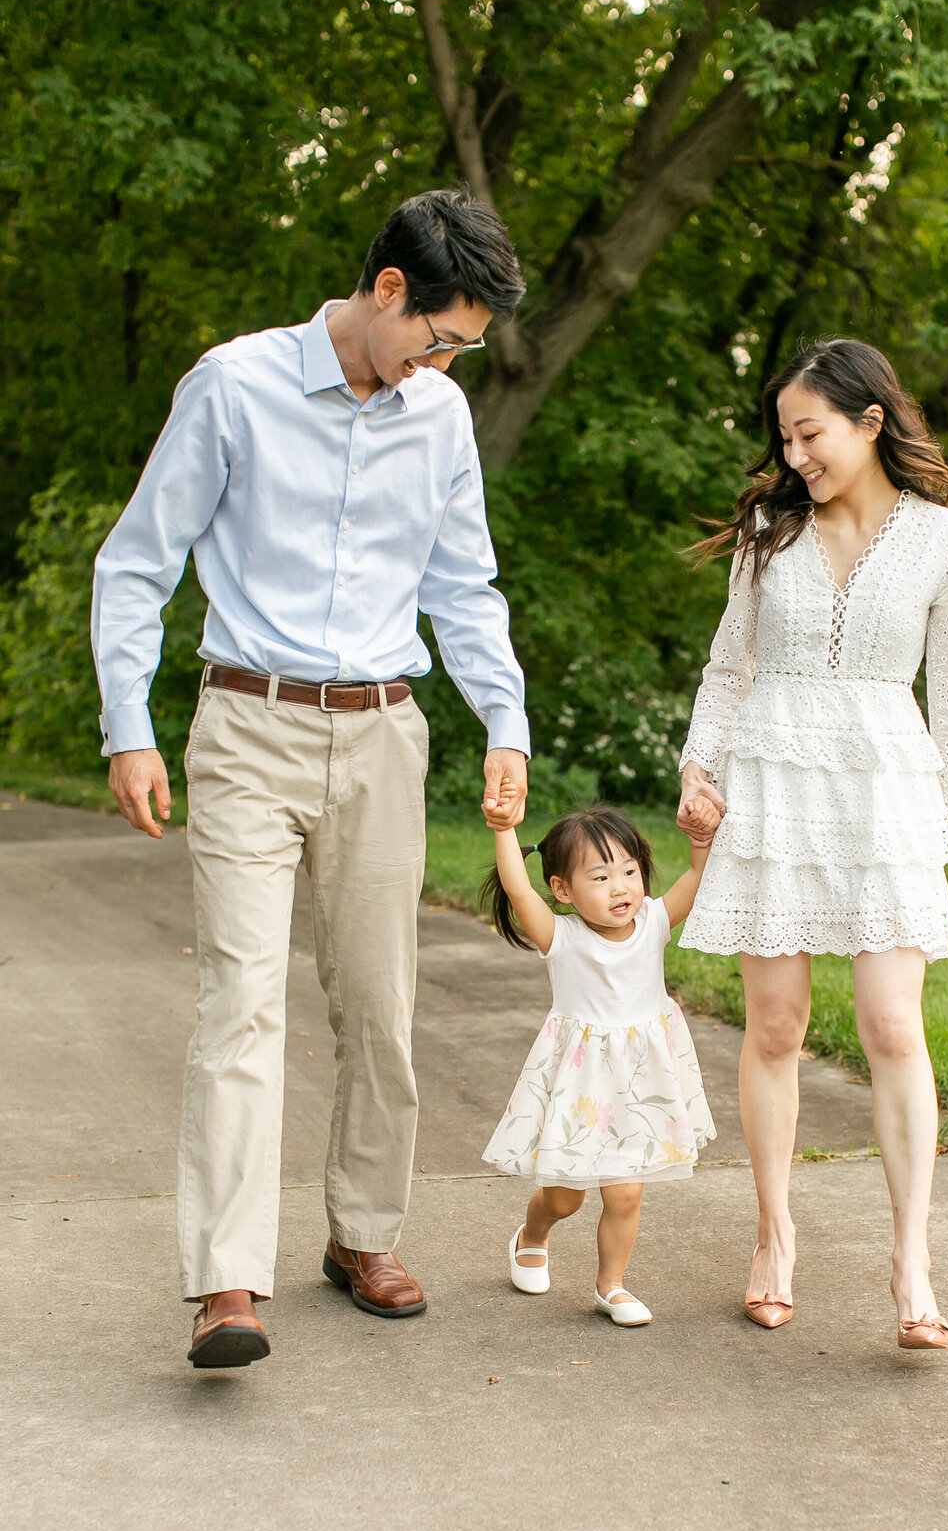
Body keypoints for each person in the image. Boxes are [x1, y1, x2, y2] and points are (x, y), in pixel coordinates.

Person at [91, 188, 531, 1369]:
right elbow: (138, 564)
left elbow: (464, 587)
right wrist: (127, 725)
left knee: (381, 1010)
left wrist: (506, 721)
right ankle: (228, 1279)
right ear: (389, 291)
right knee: (242, 1001)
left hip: (384, 737)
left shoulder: (435, 419)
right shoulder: (231, 387)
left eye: (462, 351)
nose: (445, 364)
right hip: (248, 724)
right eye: (441, 337)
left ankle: (362, 1235)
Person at [676, 338, 948, 1347]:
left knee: (892, 1027)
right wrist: (700, 767)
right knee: (773, 1026)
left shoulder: (944, 539)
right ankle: (774, 1236)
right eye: (785, 436)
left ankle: (913, 1260)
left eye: (809, 431)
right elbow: (731, 666)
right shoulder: (768, 533)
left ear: (868, 421)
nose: (796, 452)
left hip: (883, 788)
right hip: (771, 775)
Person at [479, 803, 720, 1326]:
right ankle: (533, 1233)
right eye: (602, 876)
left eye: (630, 871)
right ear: (563, 889)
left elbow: (699, 878)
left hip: (639, 1084)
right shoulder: (562, 937)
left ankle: (611, 1286)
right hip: (582, 1088)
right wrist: (504, 829)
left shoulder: (653, 921)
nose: (621, 888)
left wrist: (701, 841)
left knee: (626, 1190)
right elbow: (519, 890)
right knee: (565, 1198)